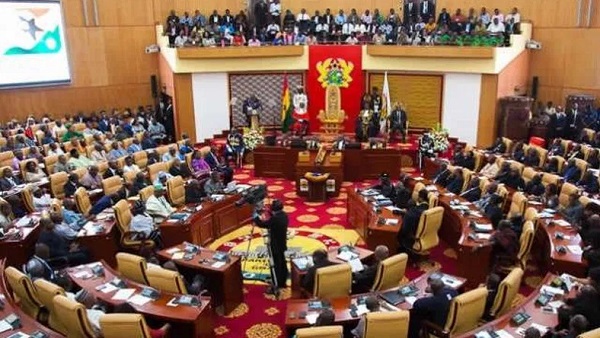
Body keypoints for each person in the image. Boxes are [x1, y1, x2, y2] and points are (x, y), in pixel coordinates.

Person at [253, 199, 288, 292]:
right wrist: (268, 211)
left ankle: (276, 283)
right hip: (282, 243)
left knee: (275, 264)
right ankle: (282, 281)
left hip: (275, 246)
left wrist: (255, 217)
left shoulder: (275, 219)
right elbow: (274, 218)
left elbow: (263, 224)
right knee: (282, 262)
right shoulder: (284, 215)